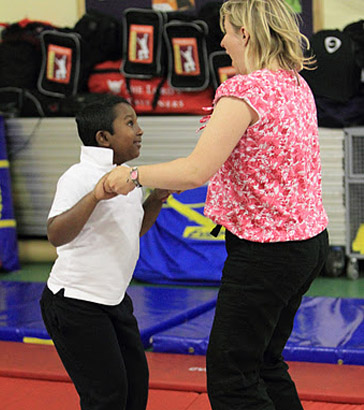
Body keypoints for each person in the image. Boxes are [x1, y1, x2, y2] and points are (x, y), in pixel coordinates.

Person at [104, 0, 329, 409]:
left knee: (231, 378)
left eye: (225, 31)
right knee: (264, 362)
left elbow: (195, 171)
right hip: (308, 242)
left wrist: (133, 176)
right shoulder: (294, 83)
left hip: (268, 252)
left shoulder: (244, 91)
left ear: (245, 33)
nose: (222, 41)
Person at [40, 95, 171, 410]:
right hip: (75, 304)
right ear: (103, 138)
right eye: (130, 123)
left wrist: (155, 200)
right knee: (107, 397)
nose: (139, 131)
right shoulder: (78, 176)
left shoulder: (125, 176)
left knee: (135, 391)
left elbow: (132, 231)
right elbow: (56, 234)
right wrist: (95, 196)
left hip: (114, 302)